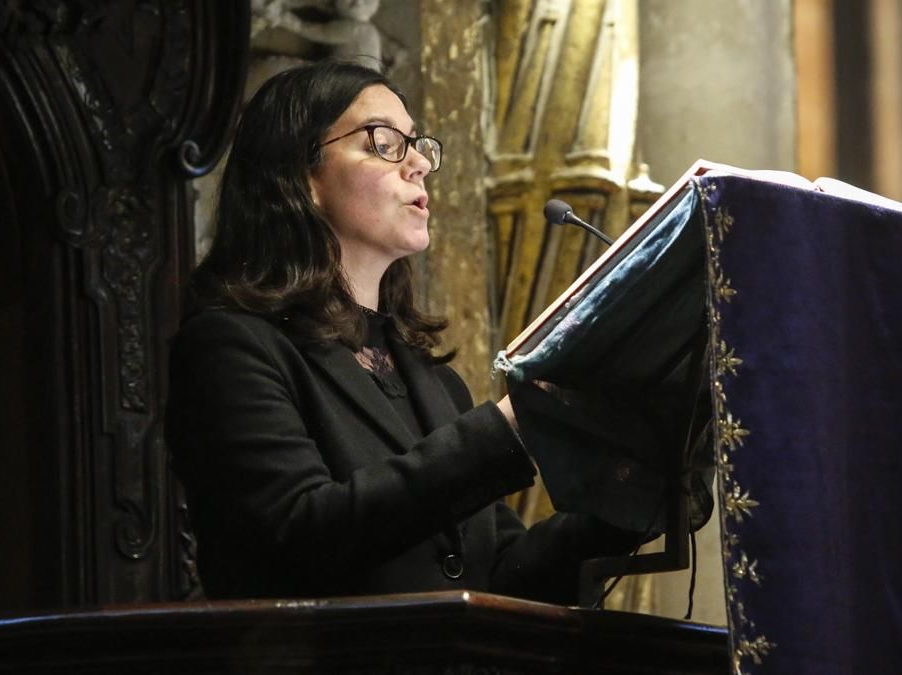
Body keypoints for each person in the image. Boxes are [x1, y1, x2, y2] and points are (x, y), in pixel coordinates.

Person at [164, 61, 638, 604]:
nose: (419, 164)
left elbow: (502, 575)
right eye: (383, 142)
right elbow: (298, 534)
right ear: (301, 177)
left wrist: (633, 492)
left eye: (417, 144)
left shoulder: (434, 381)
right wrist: (510, 425)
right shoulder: (230, 347)